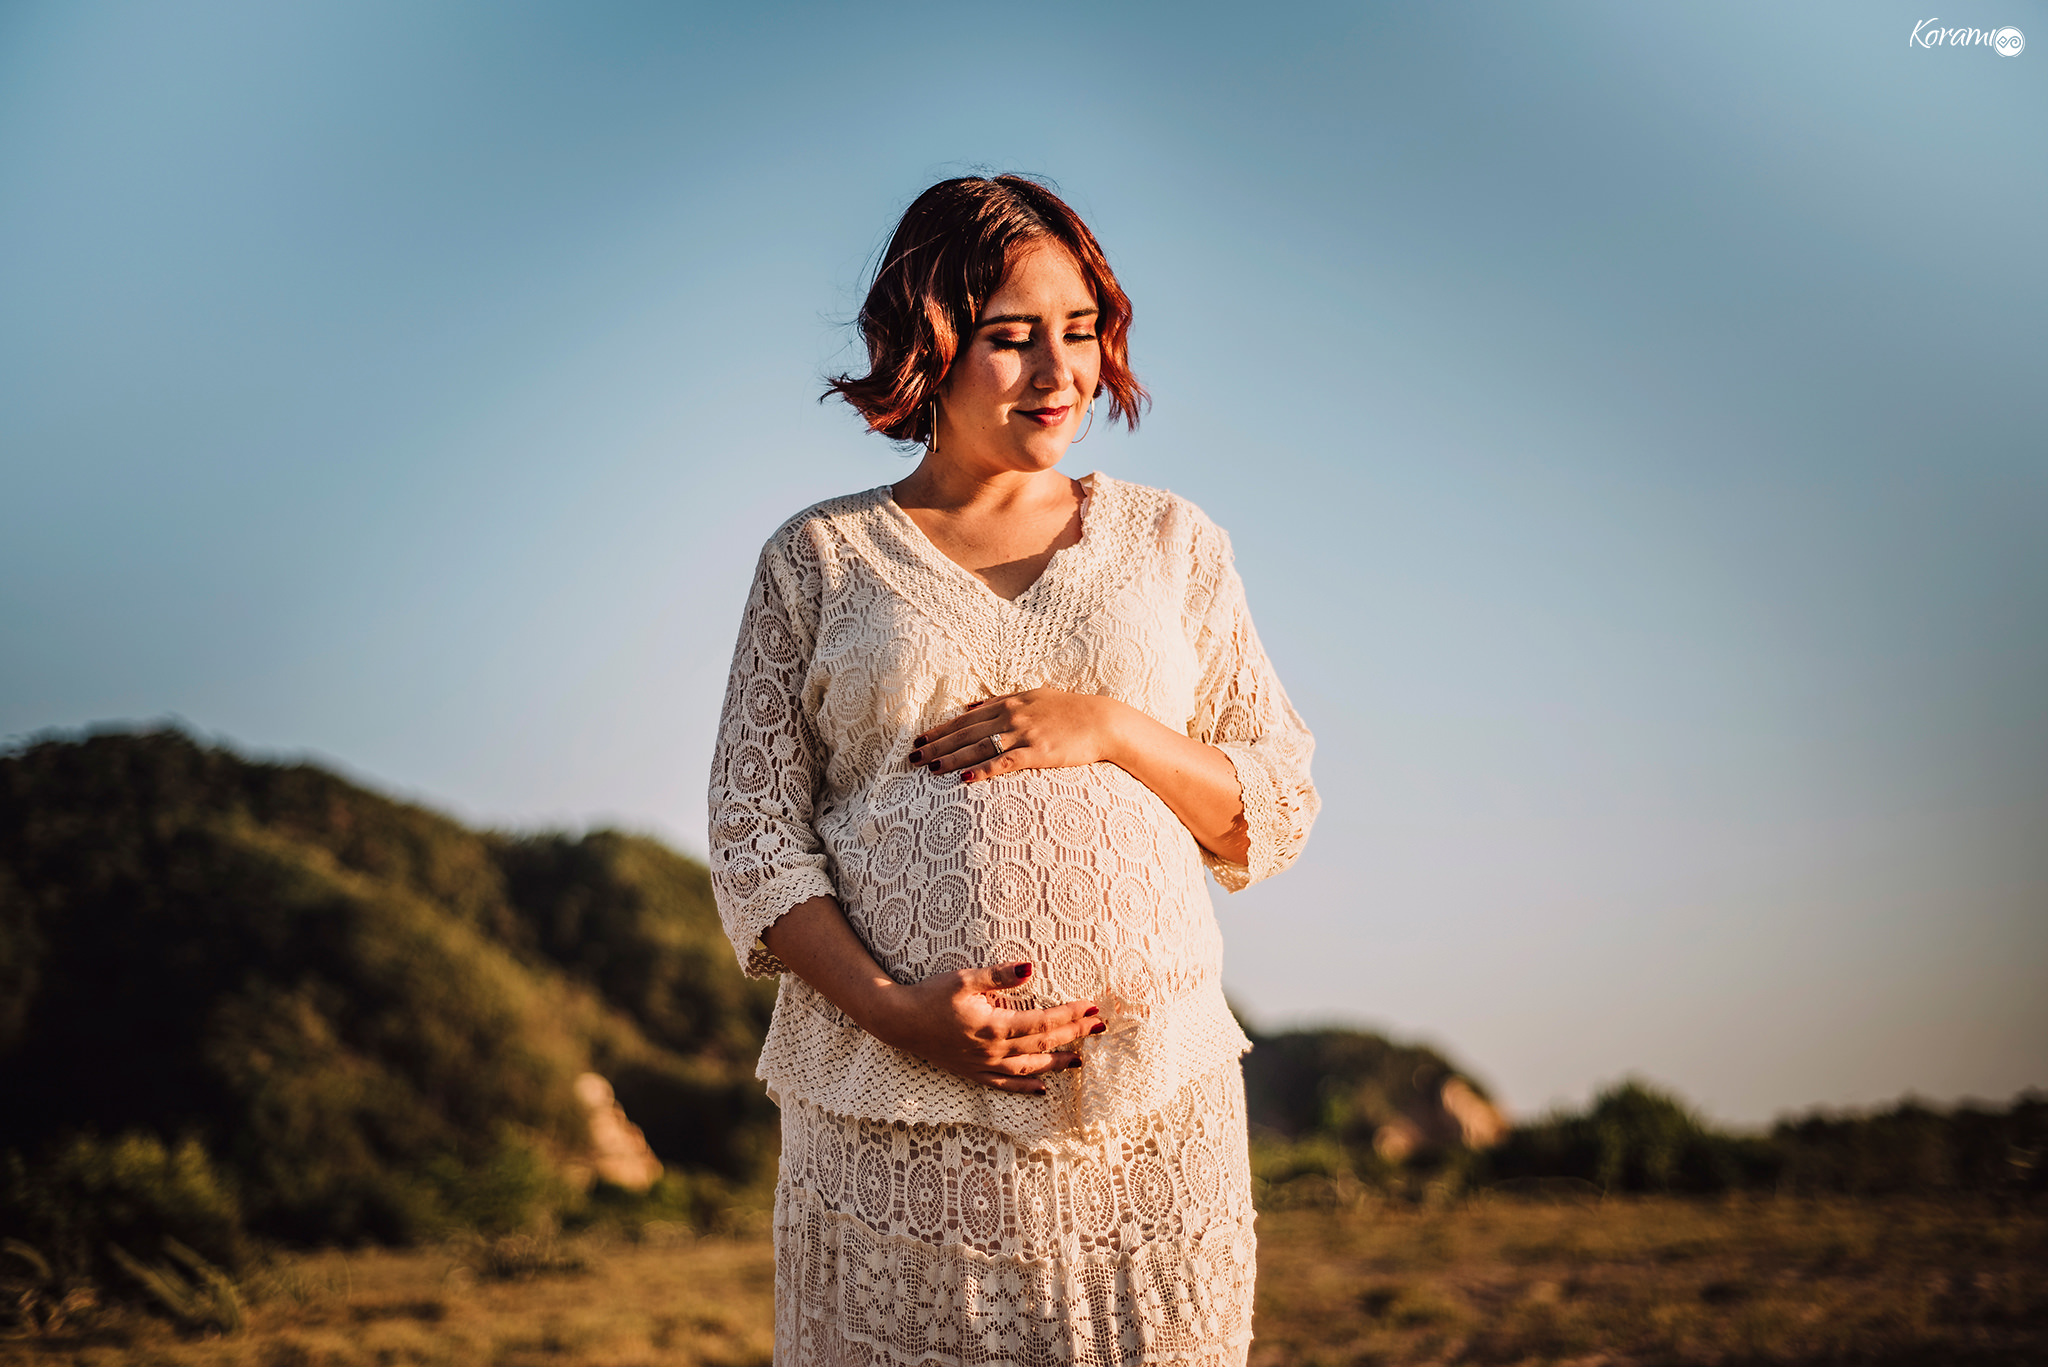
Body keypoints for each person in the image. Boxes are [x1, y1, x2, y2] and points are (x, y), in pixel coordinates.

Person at [708, 174, 1318, 1367]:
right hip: (887, 1114)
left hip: (1148, 1111)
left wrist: (1112, 727)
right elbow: (753, 838)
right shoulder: (818, 557)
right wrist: (898, 1014)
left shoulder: (1171, 541)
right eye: (1011, 336)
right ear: (927, 344)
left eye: (1079, 331)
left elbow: (1273, 806)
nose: (1057, 372)